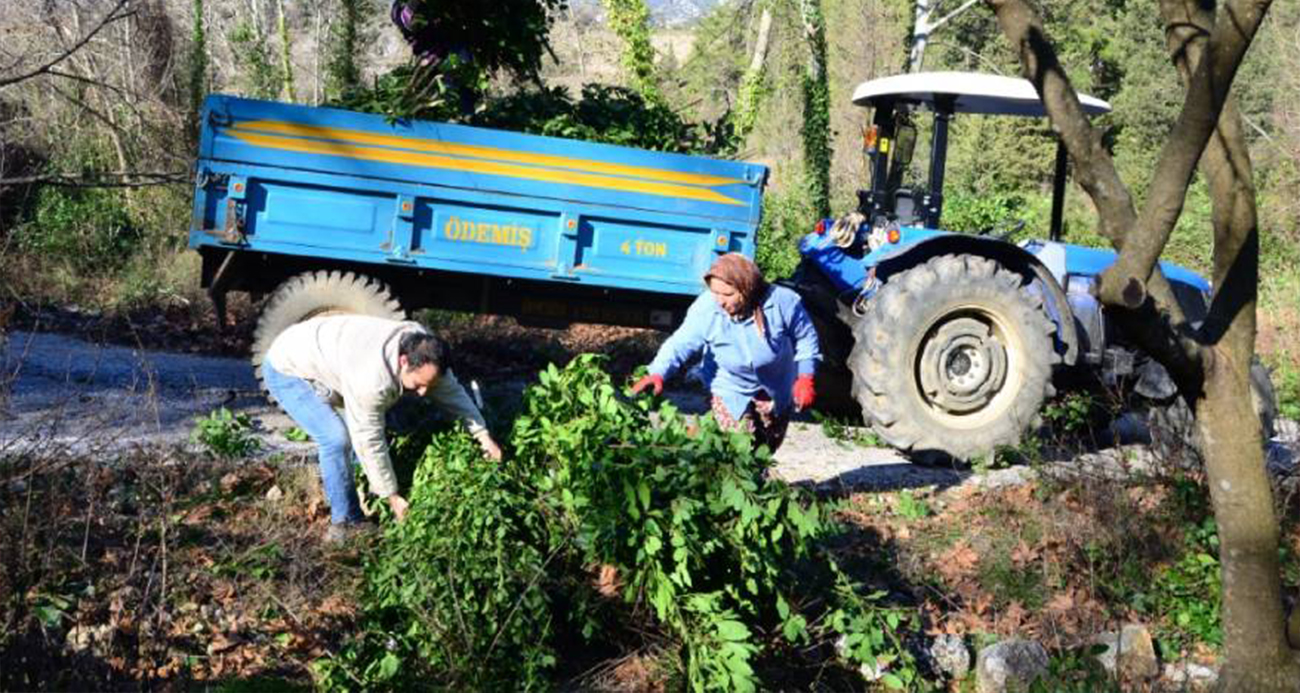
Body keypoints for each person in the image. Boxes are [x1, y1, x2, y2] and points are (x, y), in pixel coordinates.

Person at [262, 314, 502, 542]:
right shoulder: (371, 380)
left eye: (428, 385)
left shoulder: (427, 351)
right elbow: (368, 439)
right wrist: (392, 496)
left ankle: (365, 491)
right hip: (288, 367)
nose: (422, 393)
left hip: (332, 353)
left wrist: (483, 437)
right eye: (418, 384)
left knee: (376, 427)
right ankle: (345, 523)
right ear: (403, 361)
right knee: (337, 439)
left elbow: (452, 394)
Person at [630, 253, 821, 452]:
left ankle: (759, 478)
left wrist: (805, 376)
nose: (720, 301)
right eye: (715, 293)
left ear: (747, 289)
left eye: (727, 294)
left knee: (766, 448)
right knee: (740, 448)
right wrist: (658, 372)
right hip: (728, 387)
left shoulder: (783, 302)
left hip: (776, 384)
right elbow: (680, 343)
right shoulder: (707, 308)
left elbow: (806, 338)